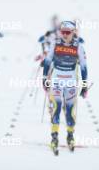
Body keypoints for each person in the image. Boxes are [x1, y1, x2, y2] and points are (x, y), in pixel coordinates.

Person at [42, 21, 88, 154]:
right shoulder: (55, 43)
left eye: (68, 32)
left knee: (70, 111)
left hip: (71, 82)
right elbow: (48, 60)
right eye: (63, 32)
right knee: (55, 108)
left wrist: (84, 86)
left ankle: (70, 135)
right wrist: (45, 78)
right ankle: (54, 137)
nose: (65, 35)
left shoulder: (78, 46)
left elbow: (84, 66)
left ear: (73, 32)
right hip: (56, 80)